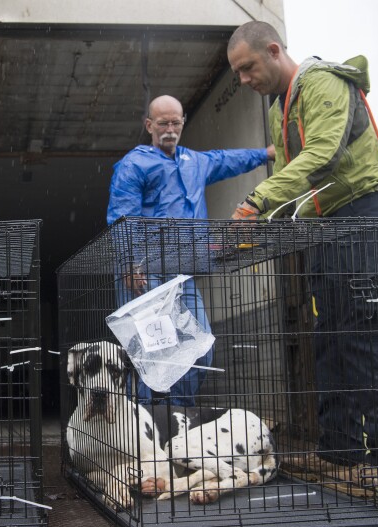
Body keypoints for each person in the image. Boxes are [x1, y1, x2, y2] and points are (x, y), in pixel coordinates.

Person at [226, 21, 378, 491]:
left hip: (366, 214)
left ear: (274, 50)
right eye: (236, 73)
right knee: (331, 336)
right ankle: (339, 452)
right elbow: (295, 175)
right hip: (324, 226)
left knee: (372, 334)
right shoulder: (277, 109)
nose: (243, 81)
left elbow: (323, 156)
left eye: (248, 68)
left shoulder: (323, 82)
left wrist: (255, 202)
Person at [107, 94, 275, 407]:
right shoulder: (135, 164)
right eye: (162, 123)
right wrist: (130, 263)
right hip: (145, 274)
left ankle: (178, 416)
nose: (169, 129)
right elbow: (122, 215)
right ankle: (149, 424)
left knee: (201, 348)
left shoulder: (194, 162)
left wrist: (266, 153)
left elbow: (228, 160)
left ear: (183, 122)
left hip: (182, 274)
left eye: (175, 122)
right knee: (155, 353)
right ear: (149, 125)